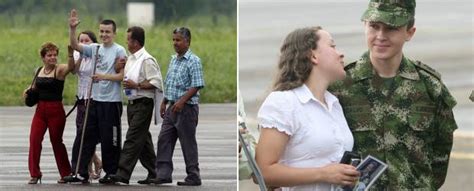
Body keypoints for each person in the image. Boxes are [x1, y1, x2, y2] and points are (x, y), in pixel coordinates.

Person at [329, 0, 458, 189]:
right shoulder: (340, 85)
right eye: (374, 26)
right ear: (364, 26)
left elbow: (440, 153)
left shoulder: (430, 87)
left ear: (409, 32)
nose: (381, 36)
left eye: (391, 28)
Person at [255, 26, 360, 191]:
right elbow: (262, 171)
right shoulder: (283, 102)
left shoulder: (334, 103)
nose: (340, 53)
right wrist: (323, 174)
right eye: (332, 46)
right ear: (313, 56)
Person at [63, 9, 127, 184]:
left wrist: (103, 76)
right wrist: (72, 29)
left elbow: (122, 76)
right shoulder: (94, 48)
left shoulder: (119, 50)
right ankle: (81, 172)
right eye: (102, 31)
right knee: (85, 136)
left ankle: (111, 172)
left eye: (107, 32)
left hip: (111, 101)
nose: (104, 34)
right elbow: (75, 46)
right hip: (94, 99)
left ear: (114, 33)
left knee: (109, 138)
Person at [109, 26, 163, 185]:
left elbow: (156, 83)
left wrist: (137, 85)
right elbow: (122, 74)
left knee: (132, 138)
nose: (126, 43)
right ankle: (155, 172)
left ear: (136, 42)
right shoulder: (131, 58)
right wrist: (119, 66)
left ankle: (122, 173)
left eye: (128, 40)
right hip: (132, 103)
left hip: (143, 103)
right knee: (143, 139)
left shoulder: (147, 60)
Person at [155, 27, 204, 186]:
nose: (175, 43)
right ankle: (163, 174)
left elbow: (196, 85)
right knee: (164, 139)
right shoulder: (174, 59)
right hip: (172, 107)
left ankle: (193, 175)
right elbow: (170, 83)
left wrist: (182, 101)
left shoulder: (193, 61)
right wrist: (164, 101)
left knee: (187, 142)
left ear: (187, 42)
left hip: (186, 108)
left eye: (178, 40)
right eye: (174, 40)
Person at [23, 42, 75, 184]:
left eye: (55, 55)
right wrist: (27, 91)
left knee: (56, 141)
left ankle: (66, 173)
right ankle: (35, 173)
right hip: (40, 110)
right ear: (43, 57)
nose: (53, 58)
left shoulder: (59, 70)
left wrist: (70, 54)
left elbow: (71, 67)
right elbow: (35, 86)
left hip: (55, 110)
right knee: (34, 139)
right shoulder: (39, 70)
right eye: (49, 55)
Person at [70, 30, 103, 180]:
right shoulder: (79, 55)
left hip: (93, 97)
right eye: (81, 40)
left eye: (86, 40)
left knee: (87, 134)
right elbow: (74, 71)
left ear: (93, 42)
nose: (83, 43)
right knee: (80, 133)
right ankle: (93, 162)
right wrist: (80, 57)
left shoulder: (97, 54)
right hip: (81, 98)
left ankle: (88, 166)